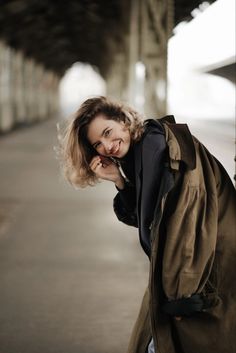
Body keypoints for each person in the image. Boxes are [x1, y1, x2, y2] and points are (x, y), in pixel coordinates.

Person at [59, 96, 236, 353]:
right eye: (98, 143)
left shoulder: (160, 150)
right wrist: (119, 181)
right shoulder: (144, 153)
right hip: (183, 272)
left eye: (108, 132)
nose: (107, 146)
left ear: (124, 120)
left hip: (206, 271)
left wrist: (181, 296)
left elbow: (187, 226)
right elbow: (152, 219)